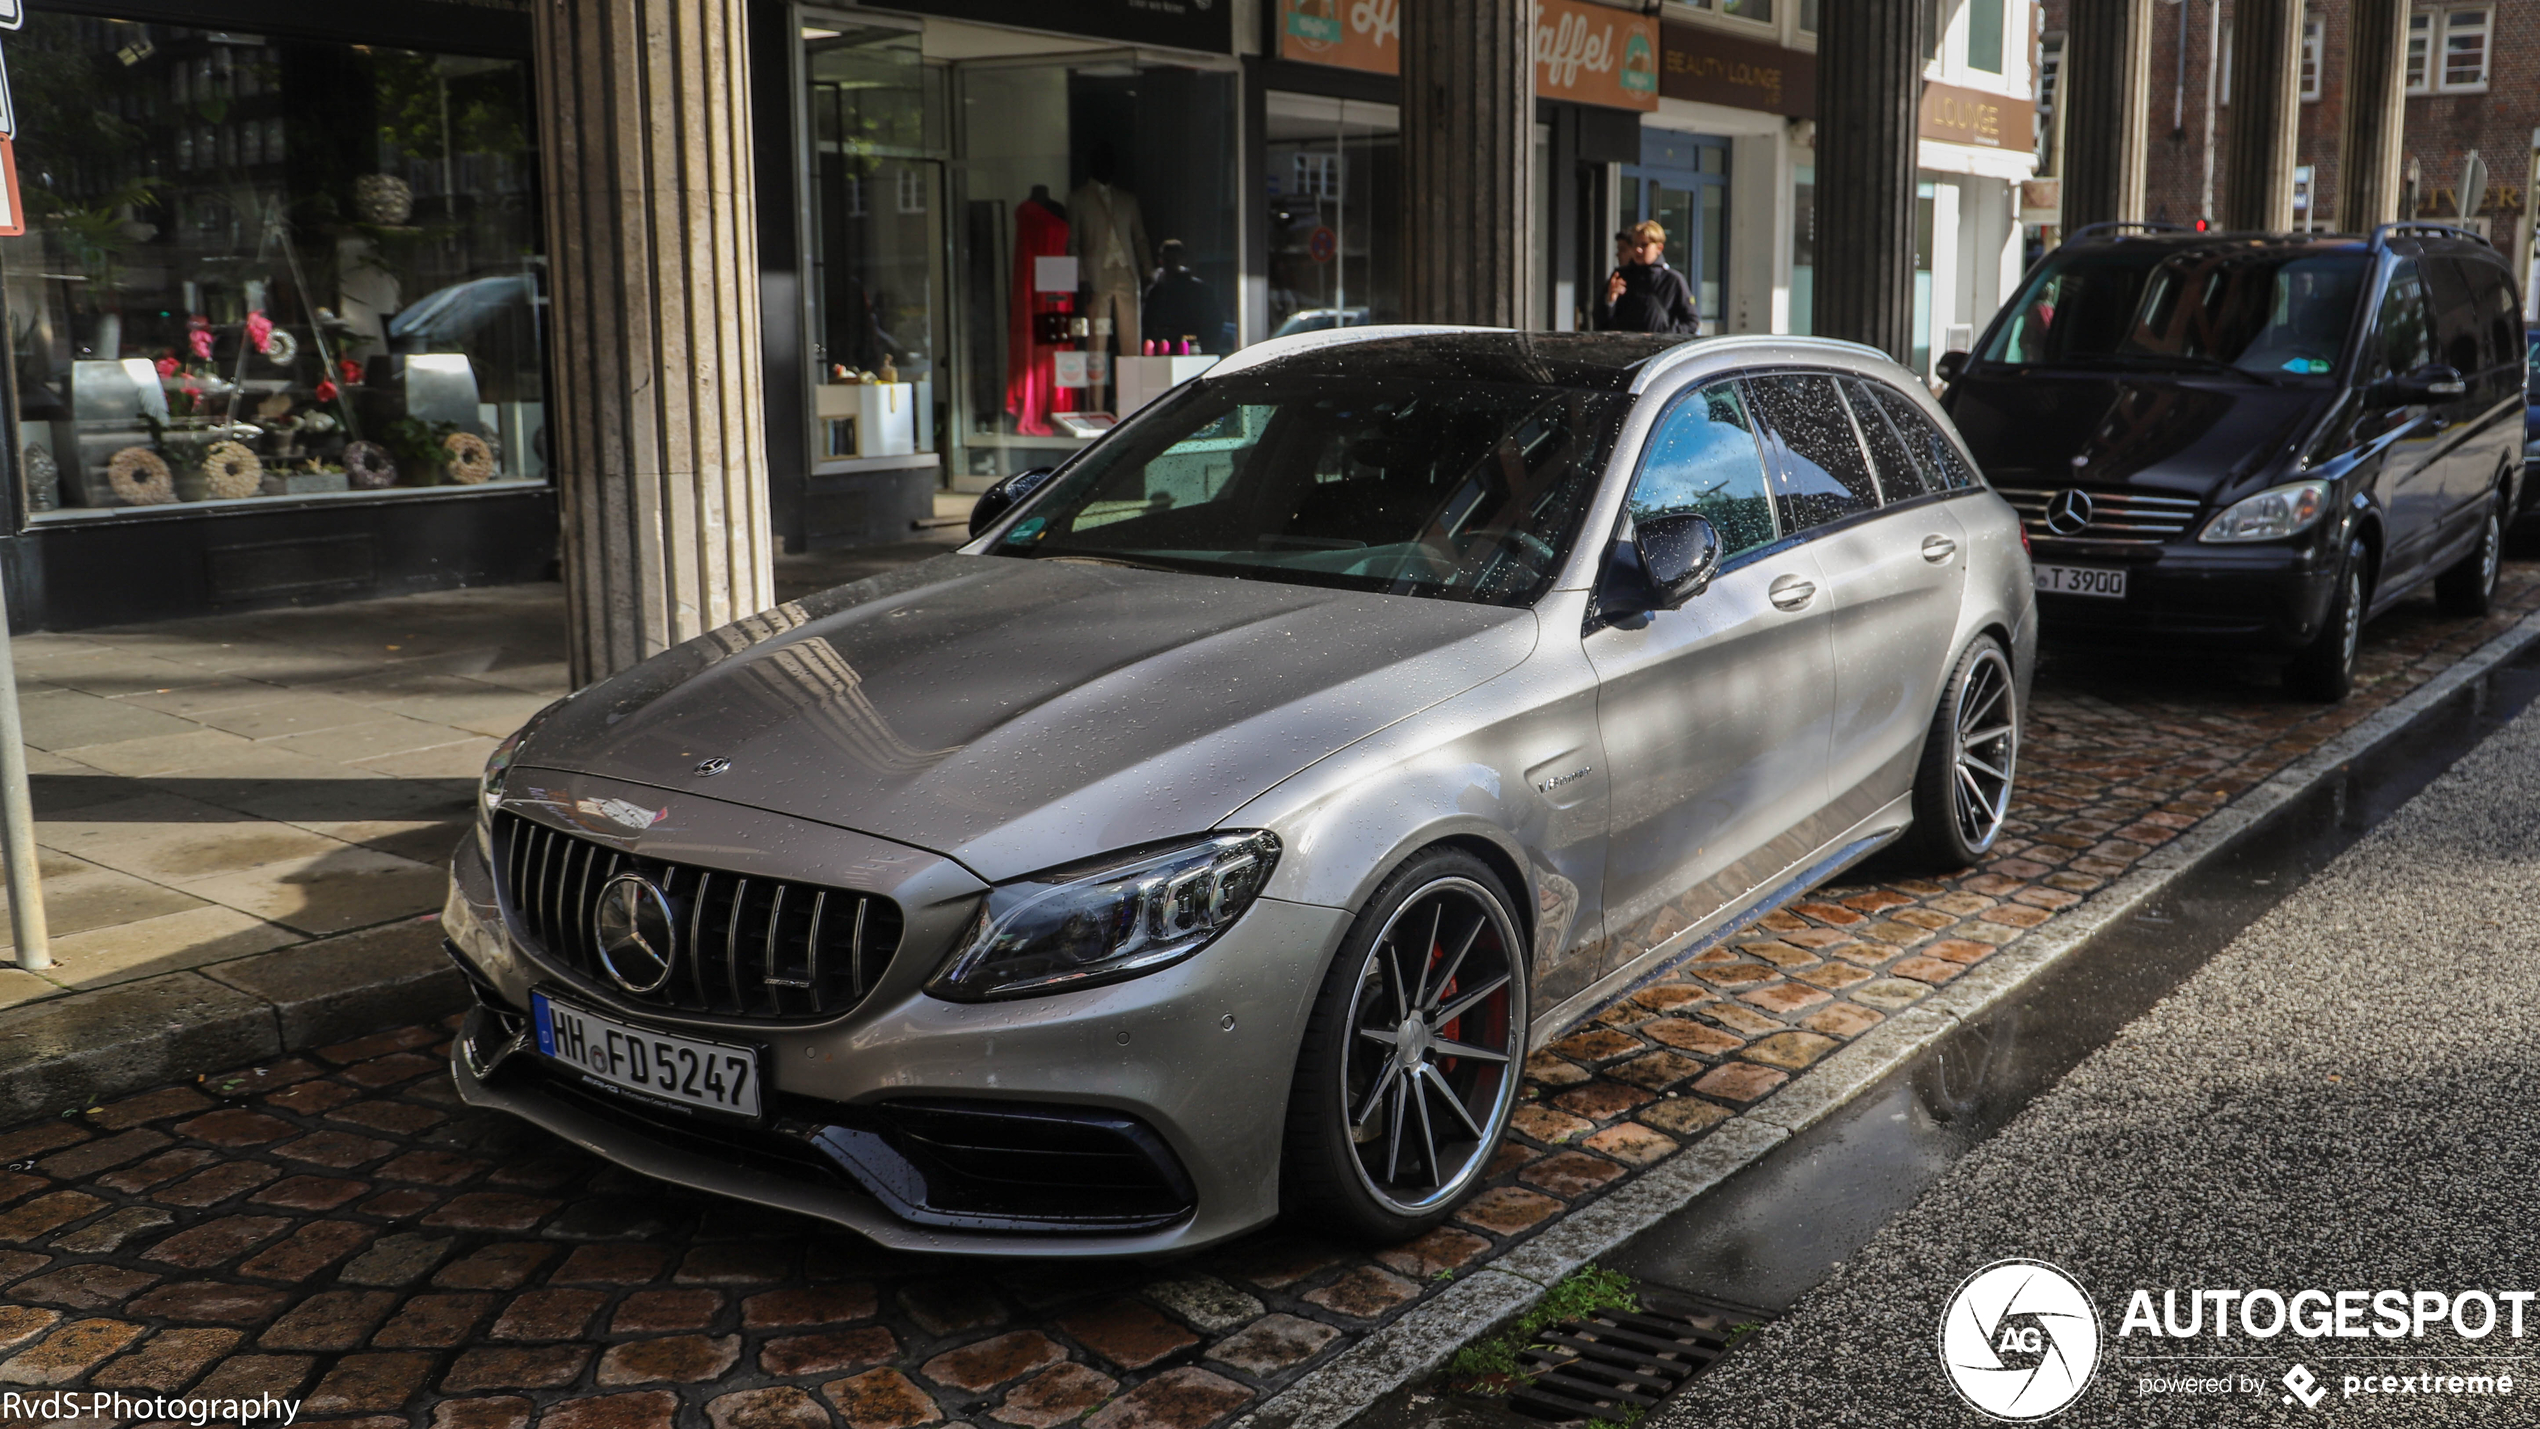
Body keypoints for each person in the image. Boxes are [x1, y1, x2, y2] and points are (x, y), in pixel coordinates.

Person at [1594, 220, 1701, 335]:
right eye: (1635, 244)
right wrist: (1609, 301)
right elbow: (1600, 322)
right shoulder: (1620, 277)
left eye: (1644, 245)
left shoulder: (1672, 280)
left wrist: (1662, 338)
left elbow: (1691, 322)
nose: (1638, 250)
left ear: (1659, 248)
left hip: (1659, 350)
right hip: (1623, 349)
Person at [1143, 239, 1219, 352]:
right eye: (1167, 260)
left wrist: (1206, 346)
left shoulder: (1200, 290)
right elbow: (1147, 323)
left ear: (1182, 260)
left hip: (1193, 347)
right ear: (1161, 261)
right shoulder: (1155, 291)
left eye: (1174, 260)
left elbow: (1213, 322)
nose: (1170, 265)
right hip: (1161, 348)